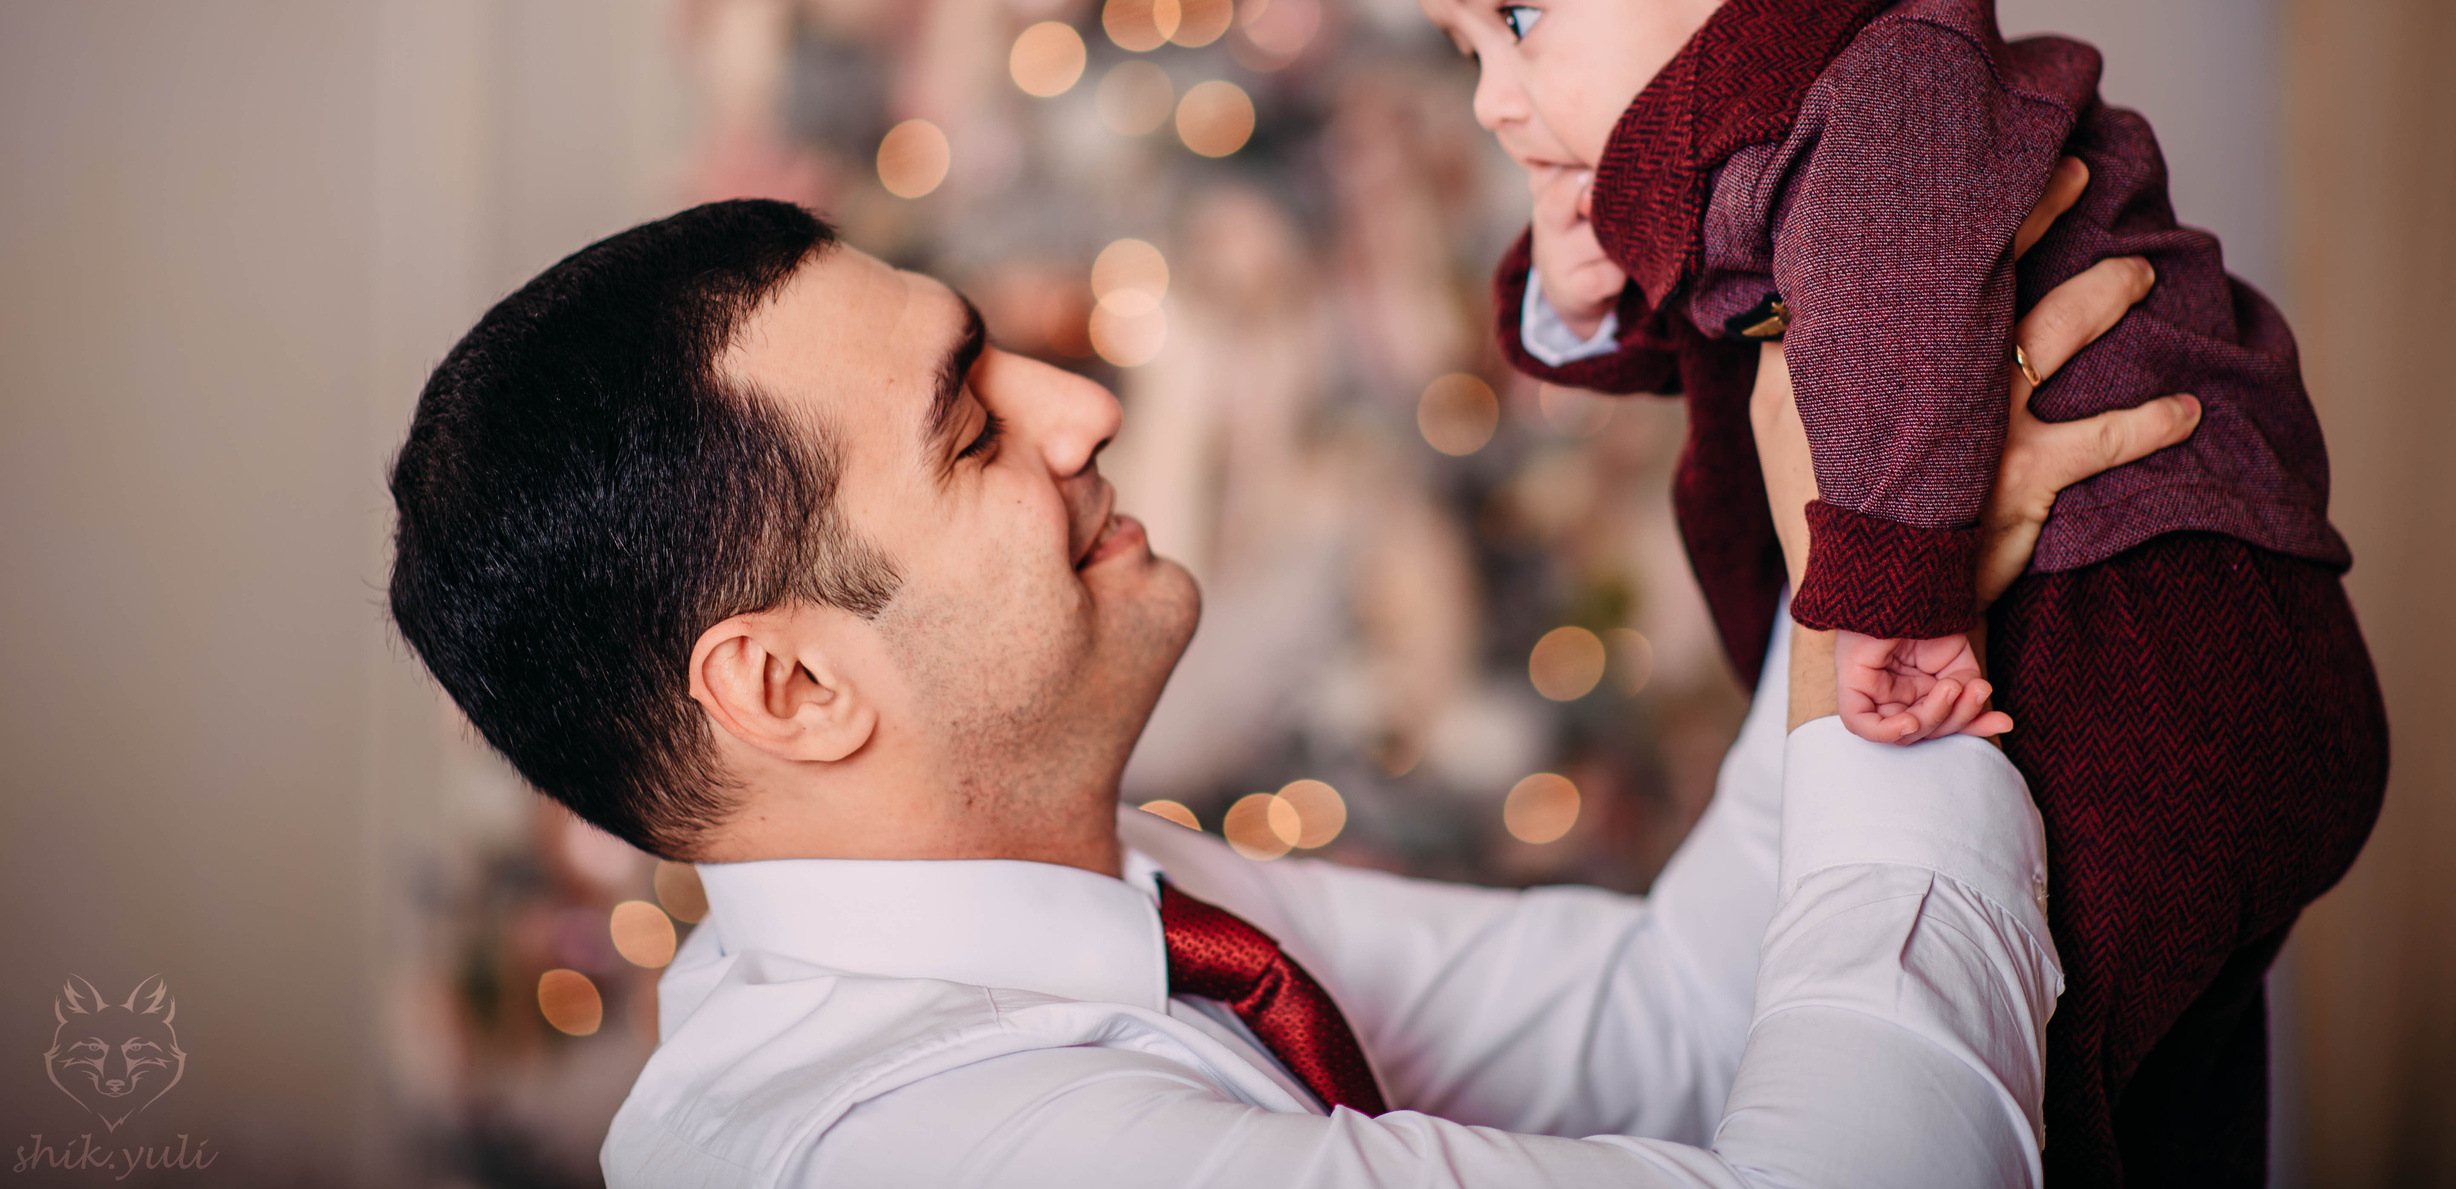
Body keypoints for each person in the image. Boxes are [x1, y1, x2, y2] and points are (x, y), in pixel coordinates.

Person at [386, 197, 2193, 1188]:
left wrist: (1850, 571)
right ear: (787, 682)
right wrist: (1893, 593)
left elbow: (1670, 1011)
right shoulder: (935, 1152)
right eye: (969, 423)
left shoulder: (1115, 901)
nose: (1081, 405)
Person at [1397, 0, 2391, 1185]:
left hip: (2157, 627)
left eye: (1515, 16)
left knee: (2045, 1070)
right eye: (1467, 48)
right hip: (2145, 643)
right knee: (2169, 1087)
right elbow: (1732, 351)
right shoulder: (1766, 135)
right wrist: (1593, 283)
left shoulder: (1895, 83)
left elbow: (1894, 316)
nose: (1489, 95)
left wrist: (1893, 610)